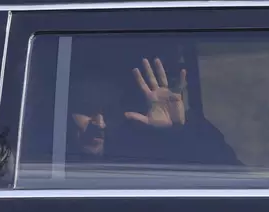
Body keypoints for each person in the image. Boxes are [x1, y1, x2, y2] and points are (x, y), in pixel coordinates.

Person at [68, 51, 241, 167]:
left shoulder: (145, 150)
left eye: (109, 111)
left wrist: (177, 132)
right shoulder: (45, 163)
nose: (100, 124)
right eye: (88, 110)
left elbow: (235, 177)